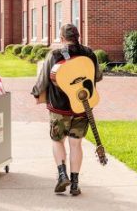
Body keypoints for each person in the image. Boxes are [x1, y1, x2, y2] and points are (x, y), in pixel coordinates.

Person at [31, 24, 102, 196]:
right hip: (82, 107)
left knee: (57, 140)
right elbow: (97, 77)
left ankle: (62, 175)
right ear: (78, 36)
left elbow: (42, 81)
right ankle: (75, 184)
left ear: (62, 38)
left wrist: (35, 93)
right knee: (76, 144)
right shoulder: (89, 53)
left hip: (59, 108)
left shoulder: (54, 54)